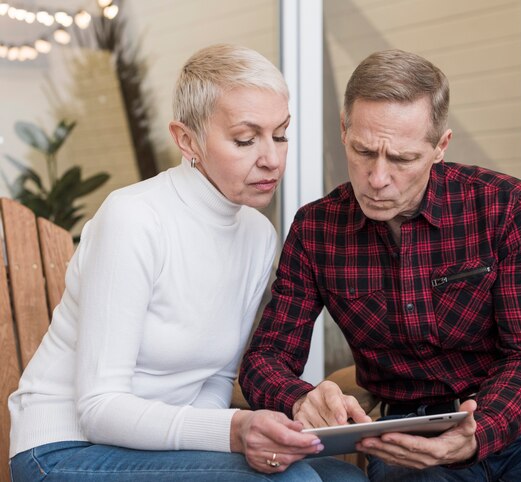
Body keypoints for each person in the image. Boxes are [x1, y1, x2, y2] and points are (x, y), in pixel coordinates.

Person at [240, 49, 521, 481]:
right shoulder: (316, 230)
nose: (378, 178)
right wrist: (298, 398)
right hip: (404, 432)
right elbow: (264, 359)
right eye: (364, 151)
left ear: (440, 147)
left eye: (402, 159)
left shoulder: (502, 206)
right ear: (344, 131)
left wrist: (480, 431)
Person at [8, 44, 367, 482]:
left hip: (155, 449)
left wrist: (229, 441)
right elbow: (99, 408)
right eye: (245, 139)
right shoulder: (135, 218)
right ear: (186, 139)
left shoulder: (257, 236)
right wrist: (234, 432)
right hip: (64, 450)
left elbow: (214, 380)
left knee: (345, 478)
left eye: (280, 134)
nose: (271, 158)